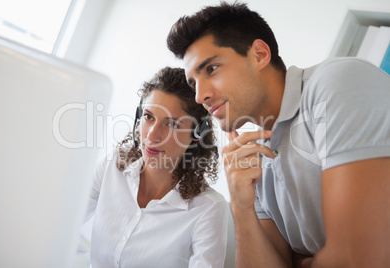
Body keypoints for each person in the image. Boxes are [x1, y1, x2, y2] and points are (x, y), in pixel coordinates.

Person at [167, 2, 390, 268]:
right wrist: (240, 207)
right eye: (193, 83)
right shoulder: (254, 158)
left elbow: (359, 258)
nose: (199, 95)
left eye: (211, 69)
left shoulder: (336, 82)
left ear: (260, 54)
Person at [84, 67, 229, 267]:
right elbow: (61, 220)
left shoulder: (207, 209)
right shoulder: (112, 166)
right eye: (148, 117)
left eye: (172, 124)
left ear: (196, 134)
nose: (152, 136)